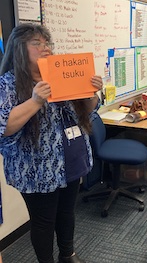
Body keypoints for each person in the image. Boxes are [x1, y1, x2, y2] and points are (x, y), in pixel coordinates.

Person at [0, 24, 103, 263]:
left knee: (67, 213)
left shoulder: (60, 75)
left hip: (71, 161)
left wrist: (91, 92)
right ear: (19, 49)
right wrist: (36, 101)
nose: (45, 48)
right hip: (37, 170)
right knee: (44, 221)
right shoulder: (8, 83)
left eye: (47, 43)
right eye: (36, 43)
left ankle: (68, 255)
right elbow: (4, 126)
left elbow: (88, 110)